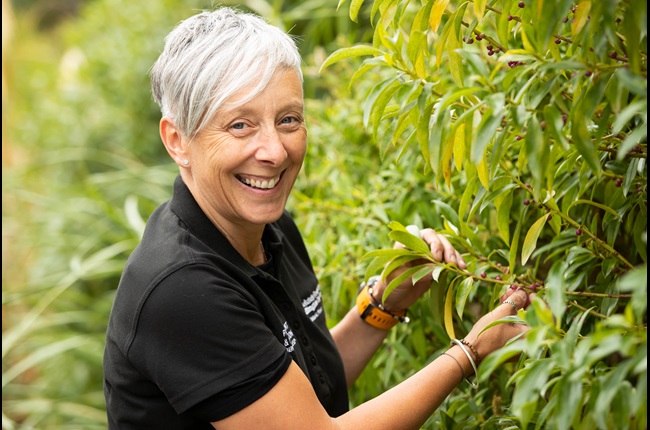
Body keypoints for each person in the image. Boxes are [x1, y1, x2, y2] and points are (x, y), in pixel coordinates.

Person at [102, 7, 536, 429]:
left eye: (288, 119)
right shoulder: (181, 289)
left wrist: (384, 304)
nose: (274, 151)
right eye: (240, 125)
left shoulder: (270, 229)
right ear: (177, 140)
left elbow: (302, 393)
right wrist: (473, 351)